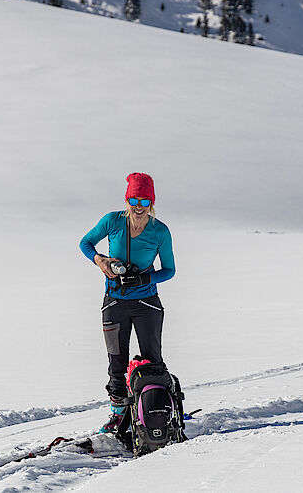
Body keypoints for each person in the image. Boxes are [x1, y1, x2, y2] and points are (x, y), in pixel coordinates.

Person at [79, 172, 176, 433]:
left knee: (152, 361)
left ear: (152, 204)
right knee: (116, 364)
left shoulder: (160, 231)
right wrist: (100, 260)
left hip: (147, 305)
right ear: (127, 200)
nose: (139, 207)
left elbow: (169, 270)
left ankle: (155, 413)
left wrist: (144, 277)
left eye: (145, 202)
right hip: (114, 303)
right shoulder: (112, 221)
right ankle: (119, 418)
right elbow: (85, 242)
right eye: (134, 200)